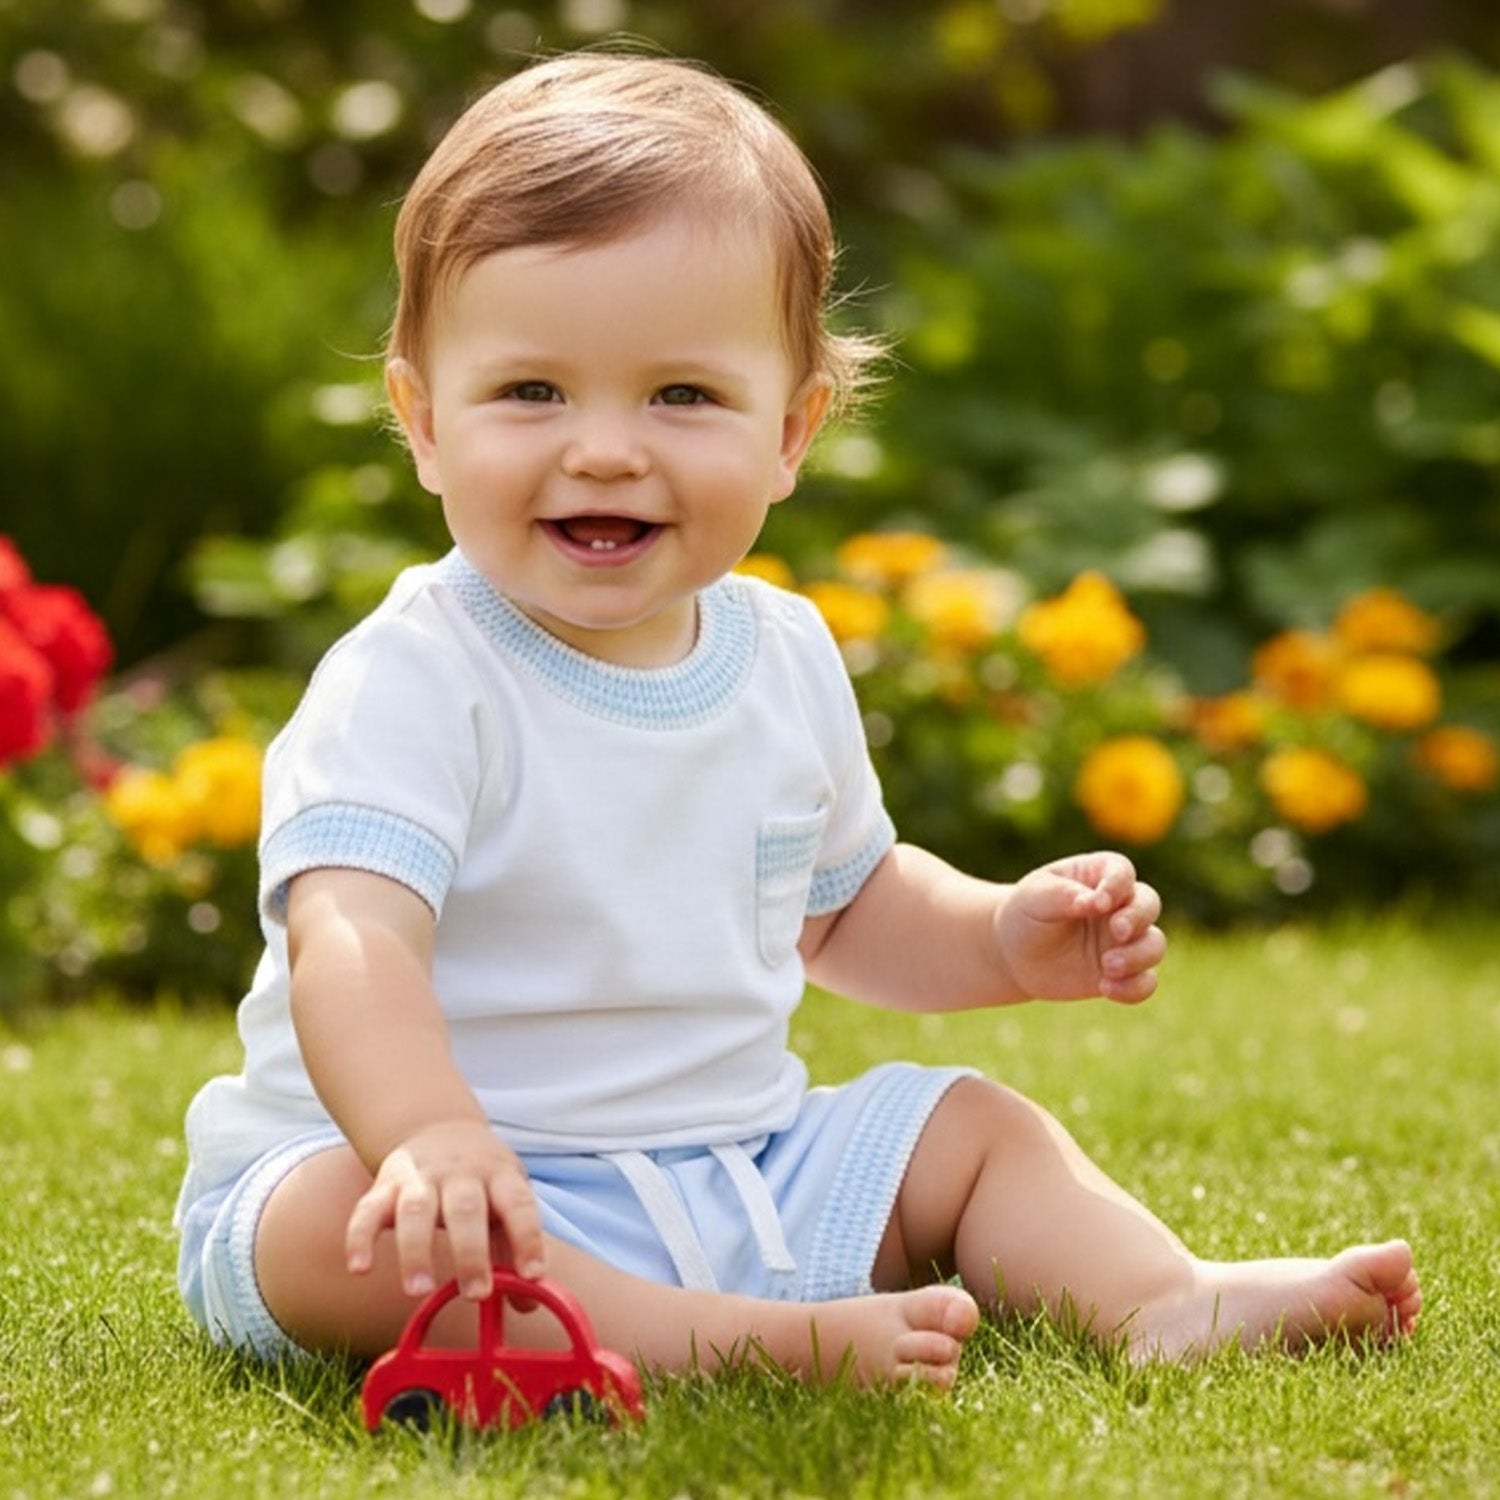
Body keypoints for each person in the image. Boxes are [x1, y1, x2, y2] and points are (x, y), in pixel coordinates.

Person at [175, 50, 1420, 1391]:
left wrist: (1001, 934)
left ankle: (1158, 1297)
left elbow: (846, 908)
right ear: (422, 423)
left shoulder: (782, 654)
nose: (604, 447)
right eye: (532, 391)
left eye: (683, 395)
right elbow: (351, 940)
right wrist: (427, 1136)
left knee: (969, 1127)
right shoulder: (419, 677)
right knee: (339, 1233)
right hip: (452, 1183)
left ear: (792, 430)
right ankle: (742, 1347)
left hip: (733, 1163)